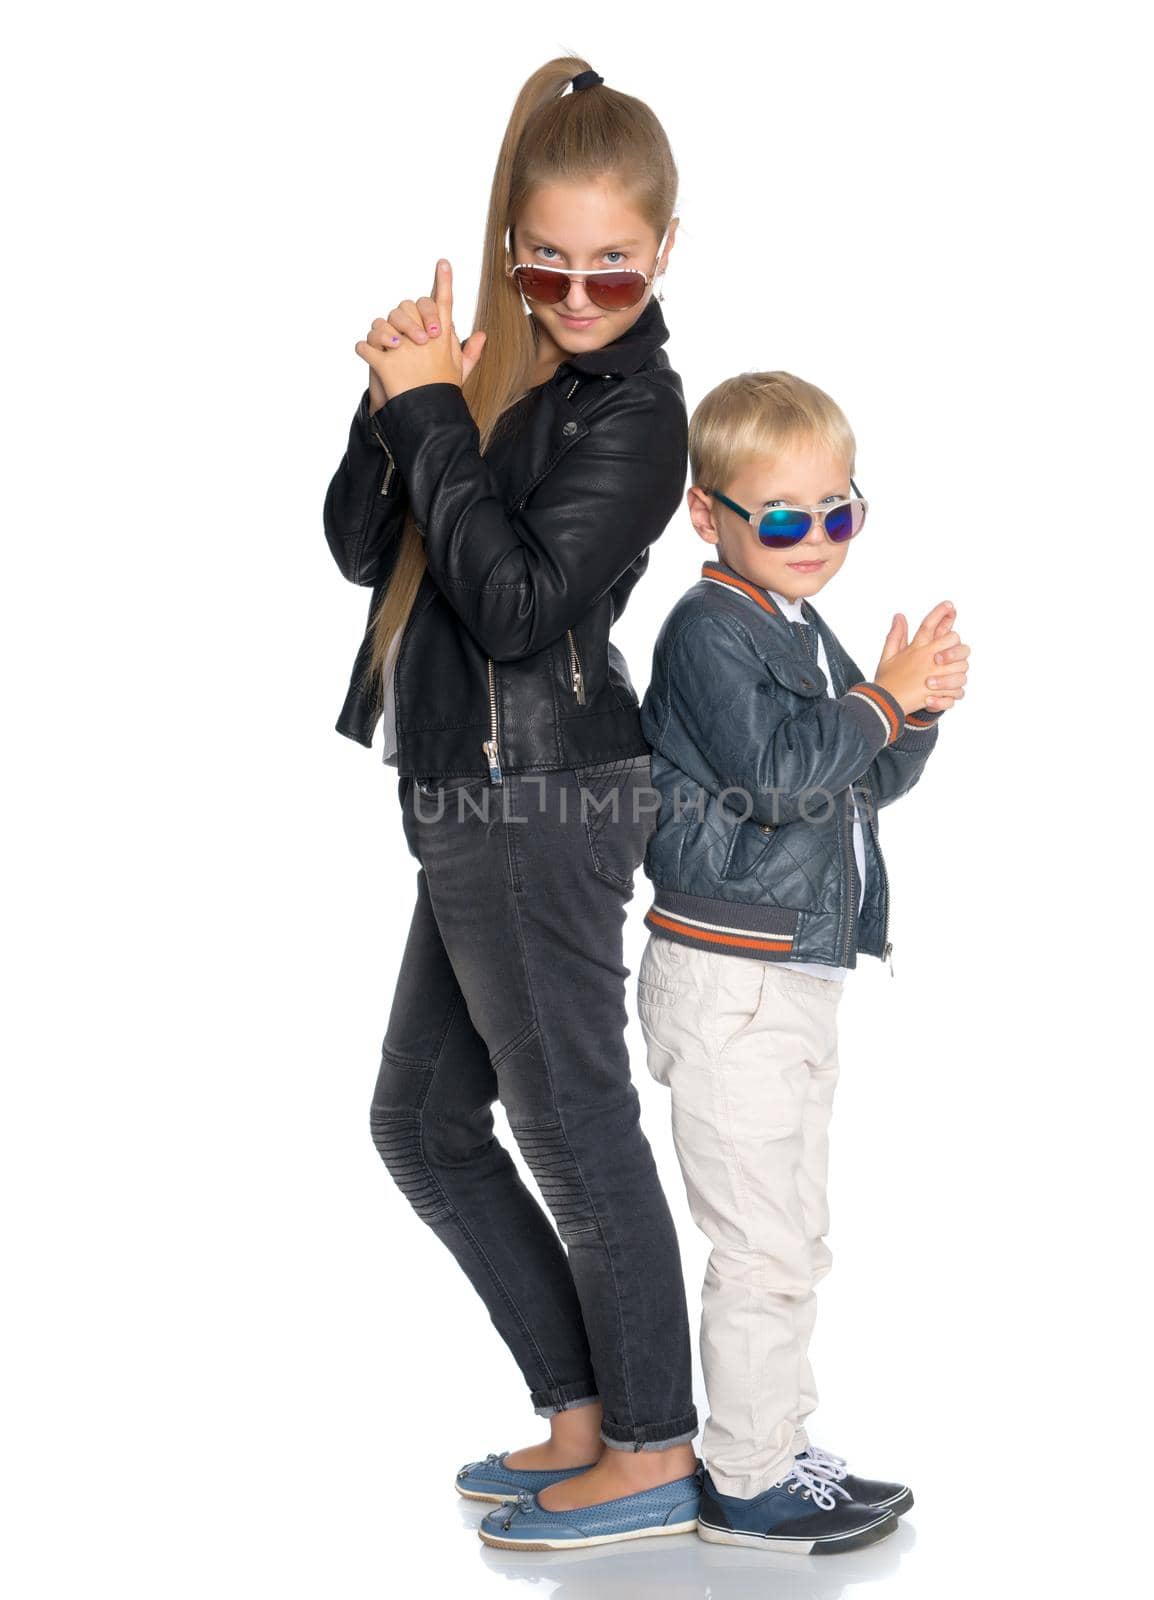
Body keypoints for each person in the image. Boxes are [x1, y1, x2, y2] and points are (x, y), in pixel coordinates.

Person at [322, 58, 703, 1551]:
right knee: (421, 1121)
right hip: (466, 795)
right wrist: (395, 402)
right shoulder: (502, 374)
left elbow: (518, 607)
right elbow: (367, 547)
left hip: (543, 795)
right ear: (510, 246)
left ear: (665, 249)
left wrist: (437, 422)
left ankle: (658, 1444)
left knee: (574, 1124)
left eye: (616, 261)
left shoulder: (640, 412)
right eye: (550, 258)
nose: (582, 288)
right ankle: (585, 1414)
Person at [635, 370, 971, 1554]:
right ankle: (746, 1478)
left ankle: (770, 1439)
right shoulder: (706, 630)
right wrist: (874, 703)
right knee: (760, 1240)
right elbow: (779, 779)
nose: (815, 540)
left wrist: (909, 713)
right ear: (706, 513)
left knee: (792, 1231)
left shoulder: (789, 621)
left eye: (838, 511)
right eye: (783, 518)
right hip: (728, 978)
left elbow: (856, 780)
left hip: (790, 972)